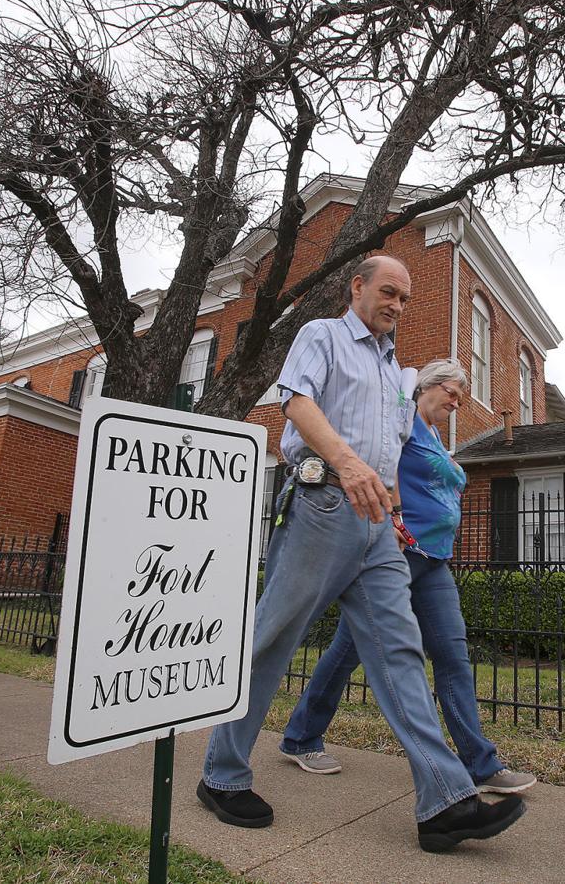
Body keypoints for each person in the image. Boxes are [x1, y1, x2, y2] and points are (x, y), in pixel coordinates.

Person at [197, 255, 526, 853]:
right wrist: (348, 464)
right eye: (389, 292)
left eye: (404, 298)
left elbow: (391, 448)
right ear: (358, 287)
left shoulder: (395, 372)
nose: (397, 305)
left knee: (400, 652)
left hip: (377, 528)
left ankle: (445, 802)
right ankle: (222, 774)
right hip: (321, 505)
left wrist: (394, 506)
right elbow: (295, 404)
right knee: (272, 640)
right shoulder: (321, 336)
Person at [279, 359, 537, 794]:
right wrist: (393, 519)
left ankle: (481, 764)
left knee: (452, 656)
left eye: (460, 395)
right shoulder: (405, 424)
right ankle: (301, 737)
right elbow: (384, 465)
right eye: (451, 393)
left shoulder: (435, 436)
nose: (457, 402)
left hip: (433, 560)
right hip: (398, 553)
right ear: (426, 389)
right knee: (347, 653)